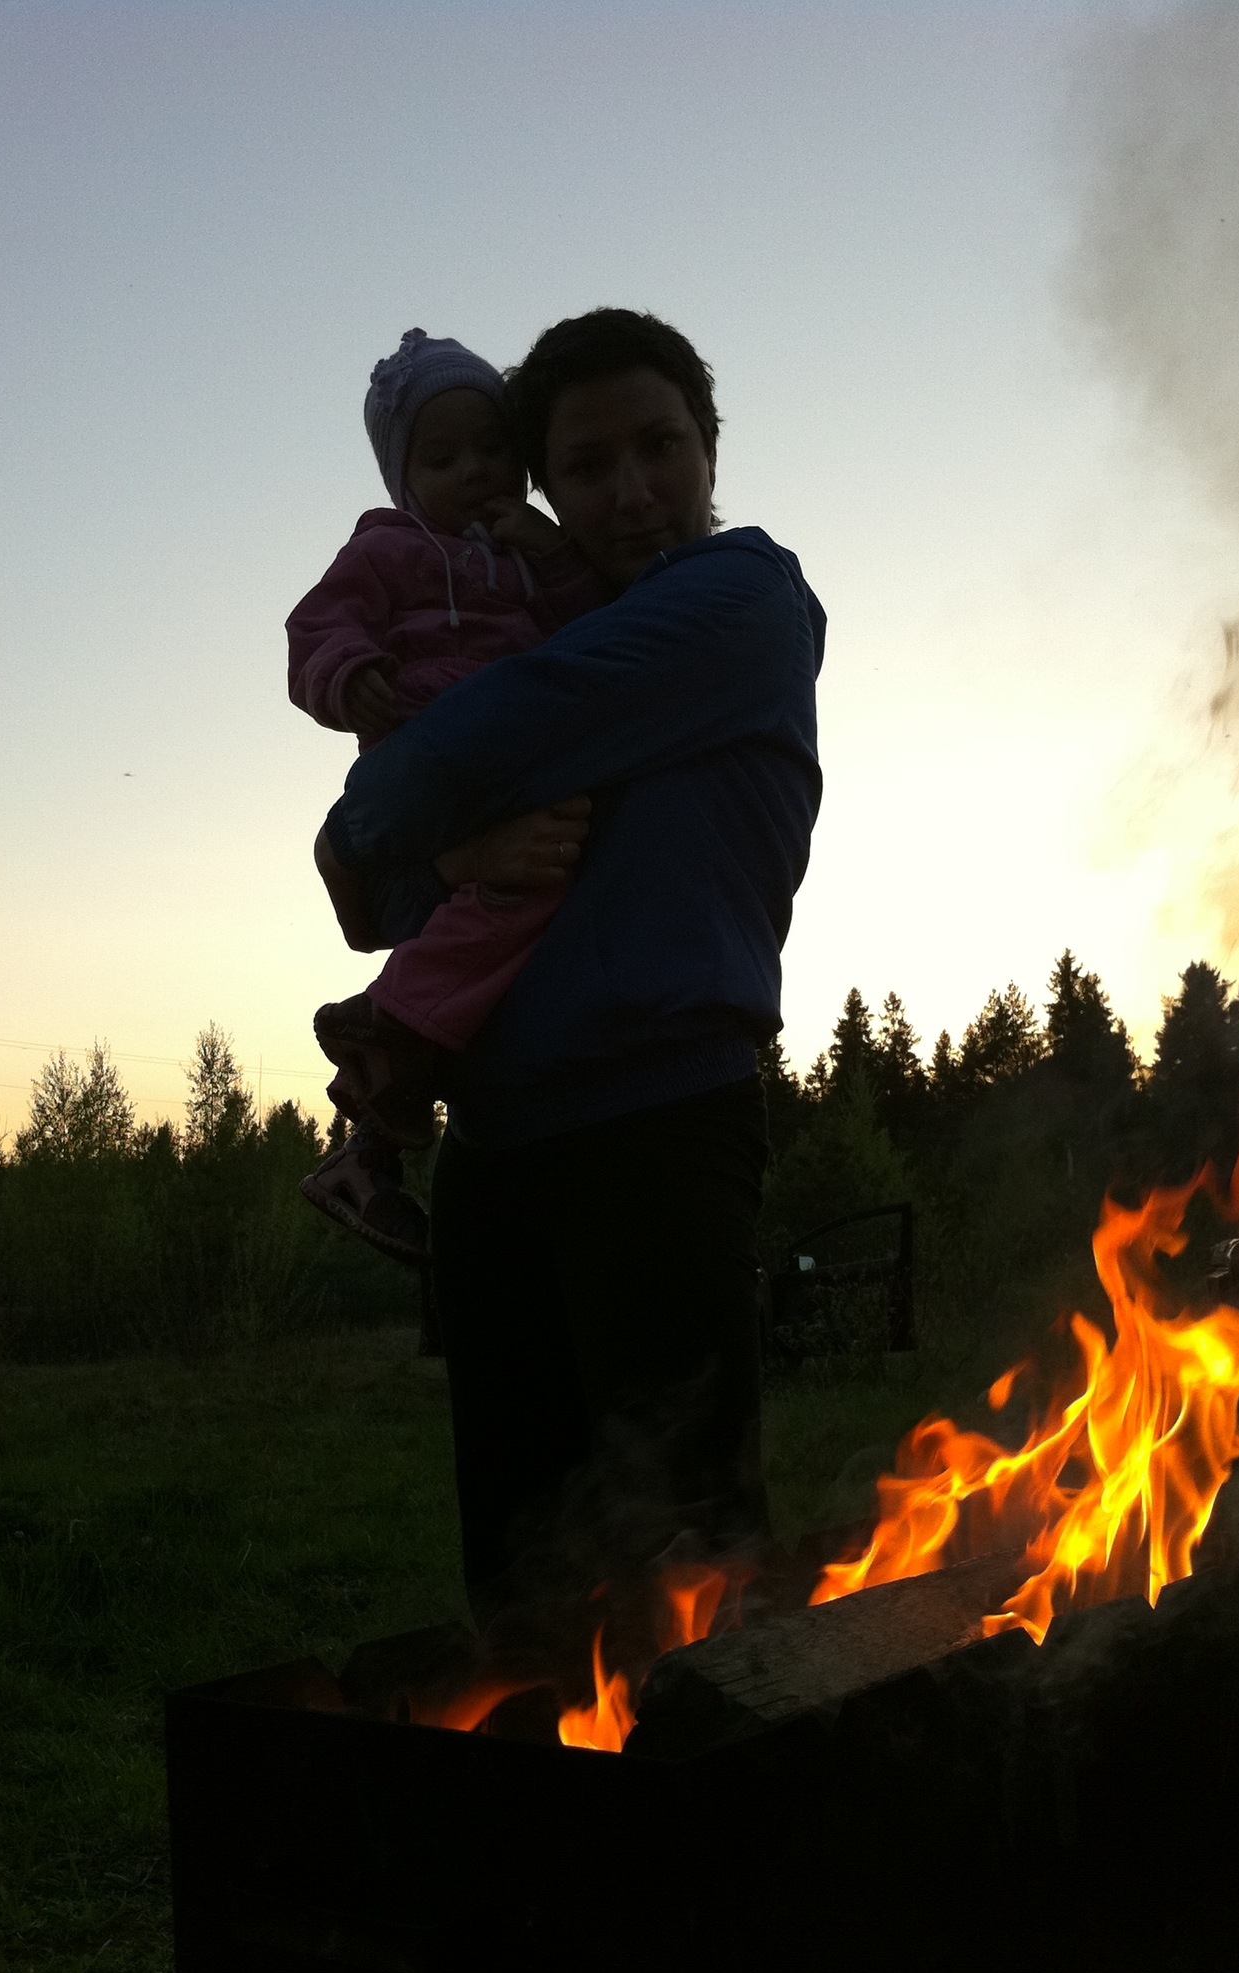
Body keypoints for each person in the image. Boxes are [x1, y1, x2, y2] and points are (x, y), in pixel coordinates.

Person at [315, 308, 824, 1624]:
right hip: (488, 1160)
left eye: (660, 447)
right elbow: (384, 910)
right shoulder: (522, 632)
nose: (632, 490)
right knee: (523, 1582)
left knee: (694, 1575)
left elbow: (474, 745)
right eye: (587, 467)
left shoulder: (741, 601)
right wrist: (447, 849)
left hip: (656, 1127)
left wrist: (367, 827)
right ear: (541, 491)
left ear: (709, 451)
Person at [287, 328, 605, 1262]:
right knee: (515, 890)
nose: (474, 471)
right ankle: (388, 1038)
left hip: (507, 775)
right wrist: (350, 674)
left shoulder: (530, 557)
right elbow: (318, 627)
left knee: (517, 899)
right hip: (422, 749)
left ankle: (372, 1131)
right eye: (442, 457)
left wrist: (556, 557)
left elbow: (599, 636)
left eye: (492, 449)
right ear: (403, 477)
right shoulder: (387, 546)